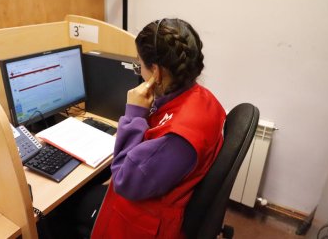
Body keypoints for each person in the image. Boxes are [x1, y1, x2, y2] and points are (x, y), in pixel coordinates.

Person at [89, 18, 226, 239]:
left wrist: (133, 113)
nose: (139, 71)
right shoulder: (204, 98)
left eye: (139, 65)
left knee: (64, 209)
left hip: (145, 221)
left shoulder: (176, 140)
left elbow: (123, 181)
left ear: (156, 73)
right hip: (159, 193)